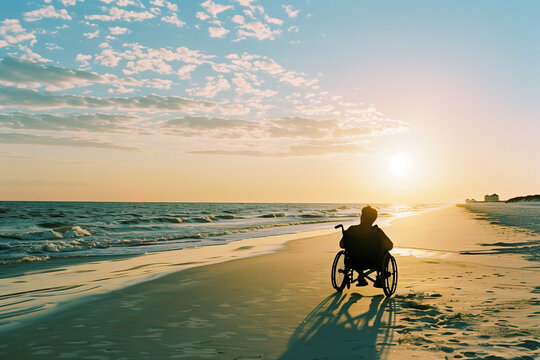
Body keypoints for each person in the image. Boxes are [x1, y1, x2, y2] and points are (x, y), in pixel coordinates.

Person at [339, 205, 393, 288]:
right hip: (374, 261)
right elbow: (390, 246)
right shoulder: (376, 231)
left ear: (362, 216)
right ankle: (380, 277)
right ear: (373, 219)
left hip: (354, 262)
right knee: (385, 253)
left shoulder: (351, 230)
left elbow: (342, 245)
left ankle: (361, 277)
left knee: (358, 251)